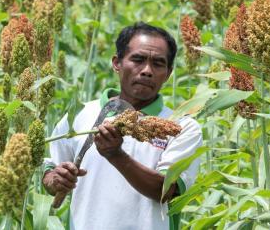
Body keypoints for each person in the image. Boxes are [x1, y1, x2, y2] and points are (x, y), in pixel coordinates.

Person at [42, 22, 202, 230]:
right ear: (117, 63)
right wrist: (55, 179)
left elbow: (166, 190)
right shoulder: (81, 115)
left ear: (169, 73)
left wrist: (116, 155)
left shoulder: (181, 127)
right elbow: (50, 169)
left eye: (158, 64)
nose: (147, 71)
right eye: (138, 59)